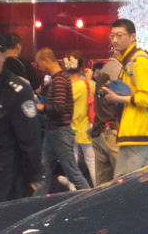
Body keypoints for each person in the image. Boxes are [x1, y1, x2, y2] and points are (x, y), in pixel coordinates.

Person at [0, 27, 43, 204]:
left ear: (3, 55)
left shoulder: (18, 90)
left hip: (5, 172)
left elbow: (30, 137)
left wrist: (33, 174)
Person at [100, 19, 148, 178]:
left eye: (119, 35)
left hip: (136, 133)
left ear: (133, 36)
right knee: (140, 182)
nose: (115, 40)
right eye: (112, 36)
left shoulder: (139, 61)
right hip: (134, 132)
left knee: (124, 183)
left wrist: (118, 98)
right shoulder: (130, 61)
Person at [33, 47, 90, 194]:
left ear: (46, 60)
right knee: (46, 171)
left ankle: (92, 197)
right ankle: (36, 200)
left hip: (60, 131)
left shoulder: (59, 80)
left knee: (72, 172)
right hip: (57, 131)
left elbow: (59, 108)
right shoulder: (61, 78)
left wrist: (40, 107)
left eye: (39, 63)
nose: (39, 67)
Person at [90, 56, 123, 185]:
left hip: (99, 130)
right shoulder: (118, 71)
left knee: (102, 183)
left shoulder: (105, 72)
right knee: (122, 178)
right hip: (111, 130)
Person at [66, 51, 95, 186]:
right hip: (86, 127)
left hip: (69, 128)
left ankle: (72, 190)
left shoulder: (66, 87)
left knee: (72, 163)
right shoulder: (87, 85)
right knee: (91, 161)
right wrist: (89, 79)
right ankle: (97, 188)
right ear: (82, 66)